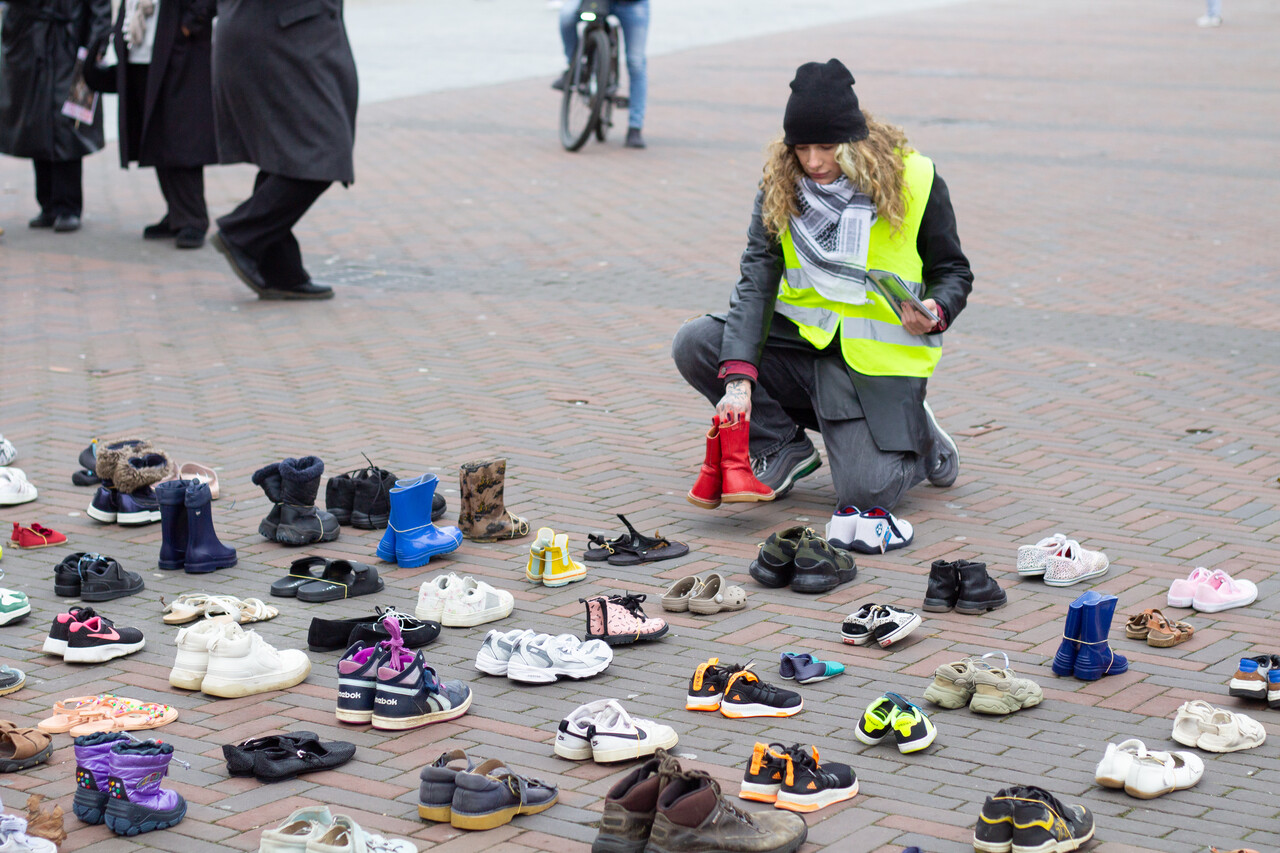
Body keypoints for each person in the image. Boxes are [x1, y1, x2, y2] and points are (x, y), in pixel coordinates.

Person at [671, 59, 972, 513]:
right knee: (696, 342)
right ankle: (783, 446)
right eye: (802, 148)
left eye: (827, 147)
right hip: (801, 348)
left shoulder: (917, 179)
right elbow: (755, 283)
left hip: (874, 368)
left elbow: (954, 270)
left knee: (864, 495)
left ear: (855, 141)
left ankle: (920, 436)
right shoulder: (780, 186)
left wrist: (938, 308)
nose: (813, 162)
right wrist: (737, 382)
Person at [208, 0, 358, 300]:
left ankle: (280, 270)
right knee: (323, 152)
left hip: (285, 36)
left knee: (287, 153)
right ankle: (241, 234)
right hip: (280, 38)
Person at [85, 0, 218, 248]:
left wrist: (189, 25)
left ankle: (193, 219)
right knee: (154, 134)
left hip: (177, 50)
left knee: (181, 136)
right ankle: (176, 214)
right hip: (139, 48)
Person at [0, 0, 112, 232]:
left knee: (66, 126)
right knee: (35, 123)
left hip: (69, 46)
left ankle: (68, 206)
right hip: (30, 44)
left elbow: (100, 7)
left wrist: (96, 45)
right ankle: (48, 204)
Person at [555, 0, 648, 149]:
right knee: (567, 17)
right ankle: (575, 68)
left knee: (636, 62)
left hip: (631, 3)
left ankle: (635, 126)